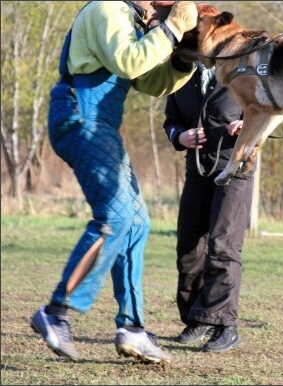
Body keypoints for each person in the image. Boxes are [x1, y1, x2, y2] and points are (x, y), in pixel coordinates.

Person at [30, 1, 198, 364]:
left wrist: (183, 57)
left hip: (100, 123)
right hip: (81, 117)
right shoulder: (107, 9)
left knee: (137, 221)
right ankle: (55, 311)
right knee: (117, 217)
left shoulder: (131, 19)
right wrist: (170, 30)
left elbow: (149, 81)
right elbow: (128, 61)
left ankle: (132, 328)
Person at [163, 62, 256, 353]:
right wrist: (180, 136)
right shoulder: (179, 73)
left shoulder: (243, 70)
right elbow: (171, 120)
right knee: (189, 246)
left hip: (235, 165)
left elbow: (264, 109)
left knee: (223, 245)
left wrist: (246, 124)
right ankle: (197, 317)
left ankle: (226, 326)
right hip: (198, 168)